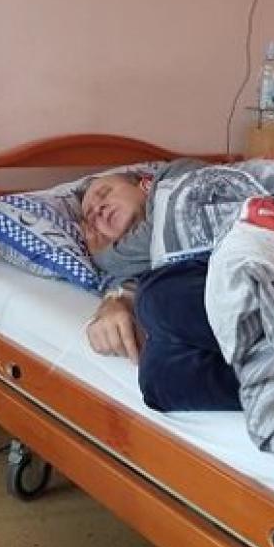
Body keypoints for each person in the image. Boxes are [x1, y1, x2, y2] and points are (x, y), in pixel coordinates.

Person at [79, 160, 241, 412]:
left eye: (105, 193)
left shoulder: (175, 176)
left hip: (266, 257)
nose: (98, 209)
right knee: (156, 377)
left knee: (155, 299)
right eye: (91, 218)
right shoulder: (139, 266)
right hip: (221, 291)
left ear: (144, 184)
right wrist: (115, 303)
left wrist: (104, 256)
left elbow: (171, 231)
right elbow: (123, 284)